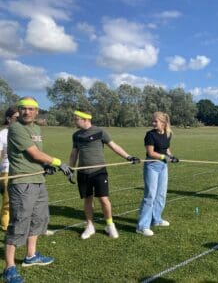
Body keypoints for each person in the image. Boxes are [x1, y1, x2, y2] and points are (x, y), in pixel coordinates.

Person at [3, 97, 73, 283]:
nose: (26, 112)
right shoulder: (16, 128)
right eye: (23, 109)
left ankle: (31, 256)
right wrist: (57, 162)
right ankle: (9, 267)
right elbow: (34, 153)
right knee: (19, 224)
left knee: (39, 219)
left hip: (38, 180)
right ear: (19, 111)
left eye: (30, 109)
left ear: (36, 111)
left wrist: (45, 166)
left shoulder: (36, 128)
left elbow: (35, 155)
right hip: (22, 183)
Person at [69, 109, 140, 240]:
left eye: (76, 118)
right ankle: (90, 225)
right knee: (88, 199)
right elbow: (74, 153)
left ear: (85, 119)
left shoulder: (100, 132)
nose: (74, 121)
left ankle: (109, 224)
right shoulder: (76, 135)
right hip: (83, 172)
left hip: (99, 171)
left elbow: (114, 146)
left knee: (104, 199)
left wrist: (129, 157)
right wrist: (70, 169)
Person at [136, 112, 179, 237]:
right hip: (152, 166)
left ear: (163, 123)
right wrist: (164, 157)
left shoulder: (167, 134)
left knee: (161, 195)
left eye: (156, 121)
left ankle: (156, 219)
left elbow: (166, 149)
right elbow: (150, 152)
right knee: (150, 195)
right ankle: (142, 226)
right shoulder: (150, 135)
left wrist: (171, 156)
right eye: (153, 121)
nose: (153, 123)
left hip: (163, 167)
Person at [0, 108, 19, 232]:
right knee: (7, 200)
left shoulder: (21, 132)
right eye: (16, 117)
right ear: (8, 119)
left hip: (21, 171)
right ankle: (5, 226)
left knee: (19, 200)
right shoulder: (2, 134)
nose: (19, 119)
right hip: (7, 171)